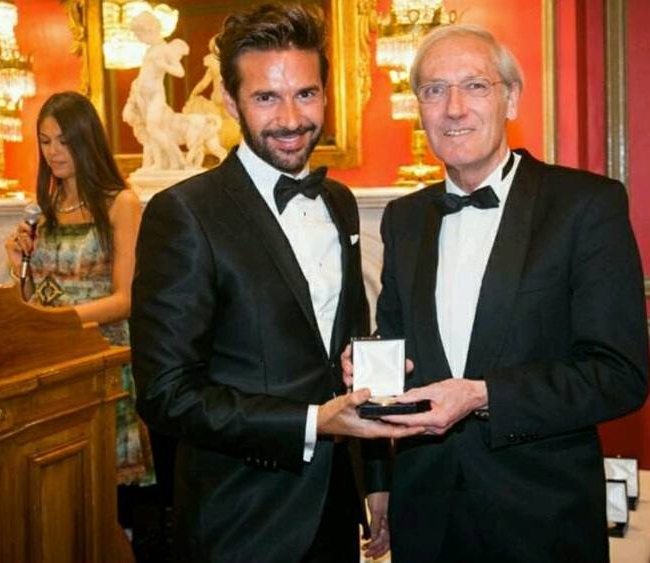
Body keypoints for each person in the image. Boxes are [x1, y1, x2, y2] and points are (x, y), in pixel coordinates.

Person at [346, 24, 650, 562]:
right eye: (434, 90)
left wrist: (483, 394)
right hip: (425, 514)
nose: (454, 108)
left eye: (475, 86)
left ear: (511, 97)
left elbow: (619, 376)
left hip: (541, 515)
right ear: (419, 108)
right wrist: (378, 474)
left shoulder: (584, 206)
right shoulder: (403, 218)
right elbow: (395, 350)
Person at [129, 4, 420, 562]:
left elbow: (353, 352)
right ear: (231, 101)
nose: (291, 118)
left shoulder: (338, 203)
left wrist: (376, 476)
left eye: (306, 94)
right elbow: (165, 395)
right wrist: (311, 422)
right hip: (241, 521)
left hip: (336, 511)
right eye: (267, 98)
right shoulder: (183, 214)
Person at [3, 91, 157, 559]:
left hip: (102, 365)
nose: (54, 152)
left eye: (64, 140)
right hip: (50, 365)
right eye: (46, 141)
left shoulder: (121, 203)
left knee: (105, 503)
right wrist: (17, 265)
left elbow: (126, 300)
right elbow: (26, 301)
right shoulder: (44, 209)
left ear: (87, 140)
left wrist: (55, 322)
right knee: (57, 494)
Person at [122, 11, 189, 171]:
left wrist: (162, 65)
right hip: (142, 97)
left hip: (155, 96)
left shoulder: (165, 49)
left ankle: (178, 160)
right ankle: (157, 163)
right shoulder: (150, 50)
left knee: (154, 129)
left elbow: (180, 72)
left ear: (150, 30)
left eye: (140, 34)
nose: (139, 38)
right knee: (150, 132)